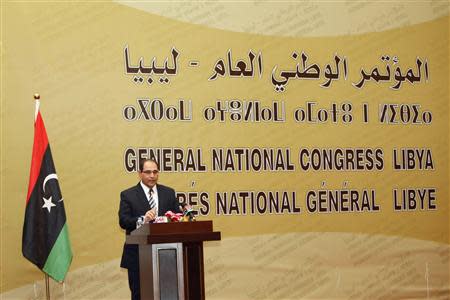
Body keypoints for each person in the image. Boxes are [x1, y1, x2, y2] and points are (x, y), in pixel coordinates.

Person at [119, 158, 181, 300]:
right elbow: (123, 221)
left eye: (155, 172)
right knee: (140, 296)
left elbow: (176, 217)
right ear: (140, 173)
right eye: (148, 172)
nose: (152, 175)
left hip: (167, 256)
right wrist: (142, 220)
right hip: (138, 256)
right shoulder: (128, 195)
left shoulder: (169, 193)